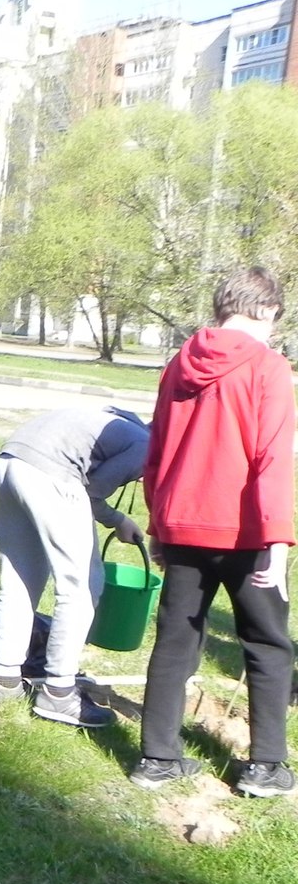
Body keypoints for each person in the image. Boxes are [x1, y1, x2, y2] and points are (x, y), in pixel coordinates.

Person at [133, 268, 295, 795]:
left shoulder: (179, 362)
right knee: (268, 645)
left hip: (182, 524)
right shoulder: (270, 368)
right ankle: (267, 766)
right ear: (267, 312)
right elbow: (273, 458)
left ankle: (157, 759)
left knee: (177, 642)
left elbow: (156, 452)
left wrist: (159, 522)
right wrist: (278, 541)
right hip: (244, 531)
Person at [0, 407, 150, 727]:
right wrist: (120, 520)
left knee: (19, 580)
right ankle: (59, 693)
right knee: (81, 587)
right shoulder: (145, 445)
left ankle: (3, 682)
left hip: (9, 459)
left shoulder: (123, 424)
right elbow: (92, 492)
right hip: (50, 473)